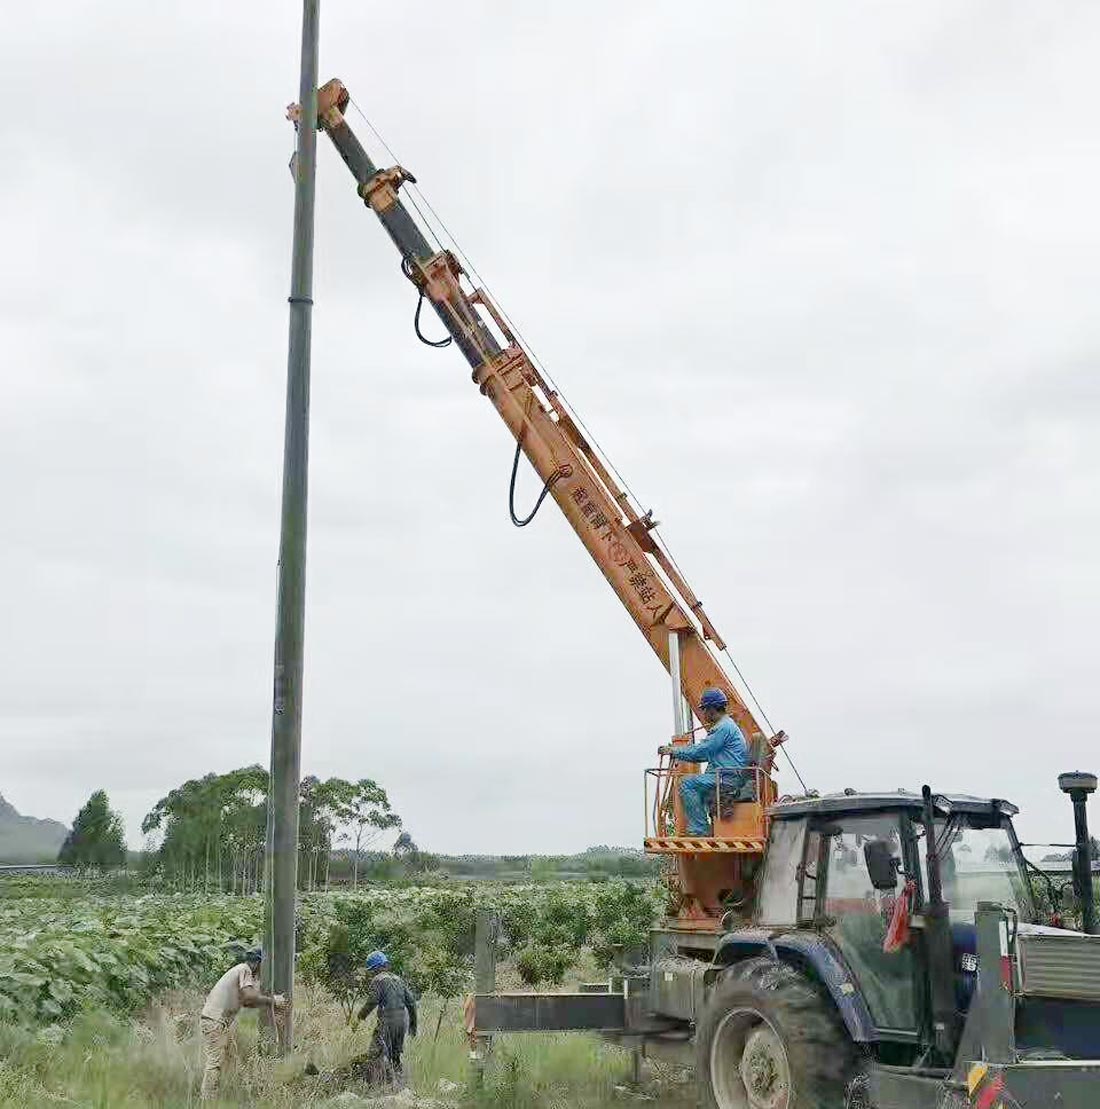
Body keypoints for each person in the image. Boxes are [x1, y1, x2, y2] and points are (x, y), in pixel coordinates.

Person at [199, 947, 286, 1100]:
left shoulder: (242, 972)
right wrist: (273, 1000)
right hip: (216, 1021)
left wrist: (269, 1003)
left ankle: (227, 1095)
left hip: (220, 1021)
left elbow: (248, 1003)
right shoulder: (244, 969)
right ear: (258, 963)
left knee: (230, 1059)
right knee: (215, 1062)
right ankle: (207, 1101)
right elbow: (249, 997)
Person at [658, 688, 748, 835]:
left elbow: (702, 752)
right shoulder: (727, 726)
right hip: (727, 775)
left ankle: (699, 830)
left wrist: (674, 751)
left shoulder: (723, 728)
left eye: (704, 709)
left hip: (726, 777)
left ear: (712, 709)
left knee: (687, 784)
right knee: (699, 783)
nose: (703, 713)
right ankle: (705, 825)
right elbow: (704, 751)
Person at [356, 951, 418, 1086]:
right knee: (395, 1055)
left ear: (376, 968)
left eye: (371, 970)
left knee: (375, 1053)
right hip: (402, 1022)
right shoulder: (398, 979)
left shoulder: (377, 980)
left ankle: (378, 1086)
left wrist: (360, 1017)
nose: (371, 973)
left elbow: (372, 1001)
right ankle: (401, 1085)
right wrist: (413, 1025)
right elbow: (412, 1002)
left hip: (388, 1021)